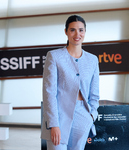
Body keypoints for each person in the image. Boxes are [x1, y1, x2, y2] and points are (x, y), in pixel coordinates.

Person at [41, 15, 100, 150]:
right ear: (66, 32)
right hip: (59, 116)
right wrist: (53, 124)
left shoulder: (92, 60)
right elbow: (49, 93)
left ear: (85, 32)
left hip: (83, 116)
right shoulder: (54, 56)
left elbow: (94, 93)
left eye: (81, 30)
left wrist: (91, 116)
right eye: (72, 30)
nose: (77, 34)